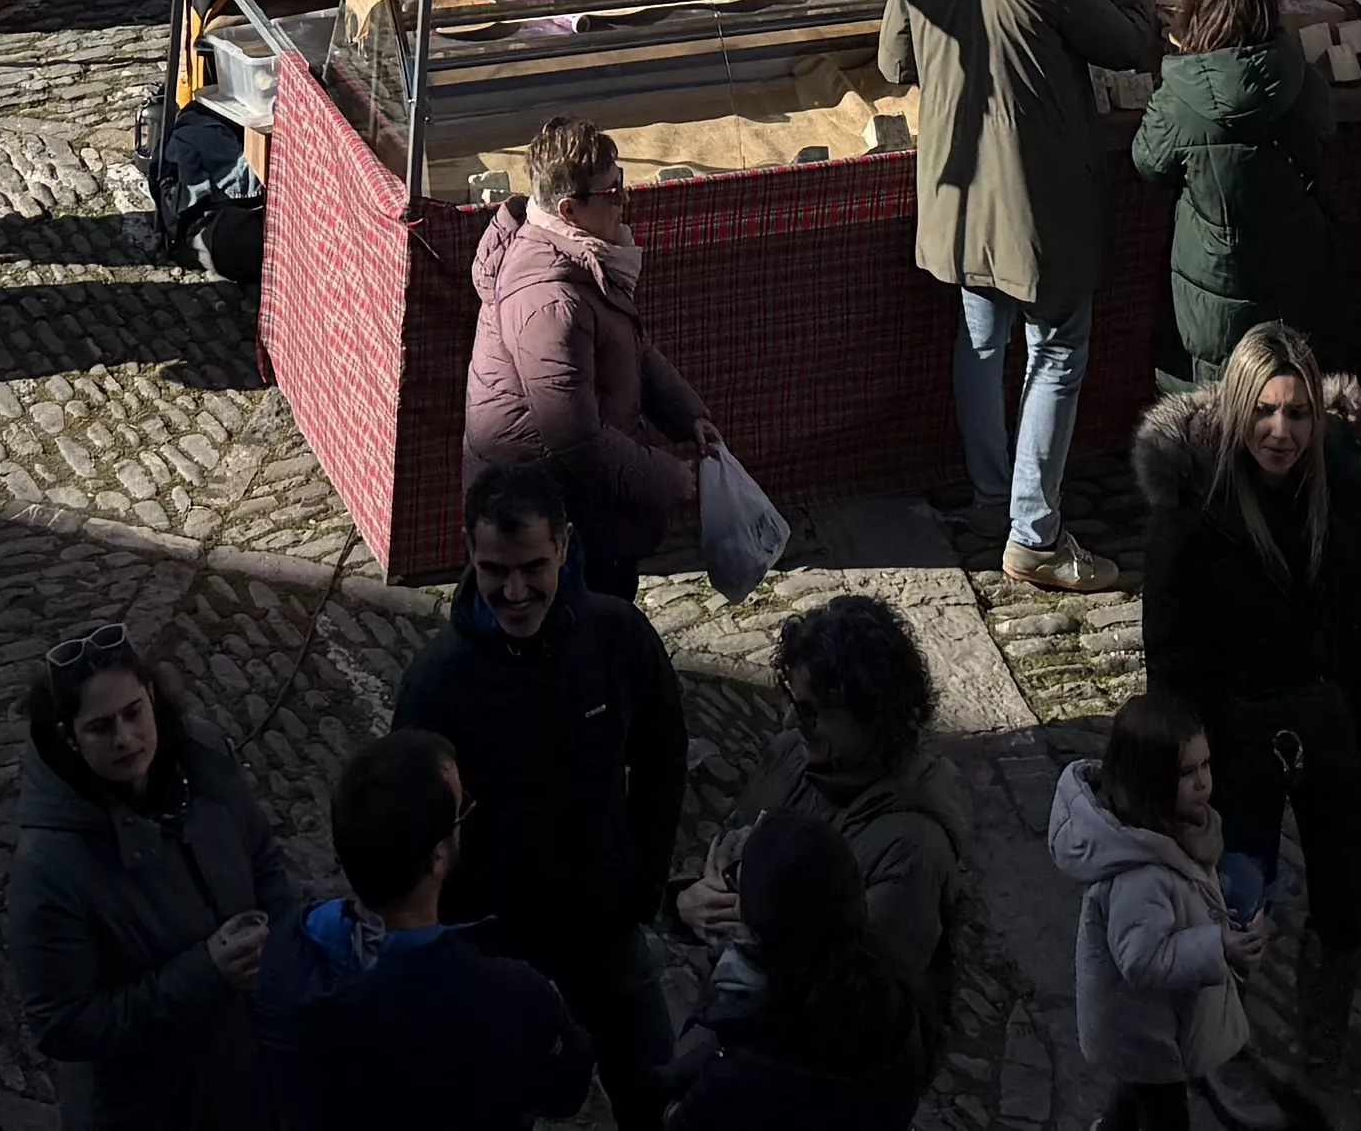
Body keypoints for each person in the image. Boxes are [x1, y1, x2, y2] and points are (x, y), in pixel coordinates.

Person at [874, 0, 1155, 591]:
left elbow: (894, 63)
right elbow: (1130, 42)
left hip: (960, 203)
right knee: (1056, 354)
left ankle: (994, 496)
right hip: (1038, 209)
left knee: (981, 342)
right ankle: (1032, 531)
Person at [1129, 322, 1361, 1074]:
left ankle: (1320, 1038)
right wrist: (1183, 770)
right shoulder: (1193, 512)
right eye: (1264, 411)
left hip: (1331, 723)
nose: (1279, 431)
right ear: (1236, 411)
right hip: (1236, 735)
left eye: (1295, 413)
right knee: (1238, 893)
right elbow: (1173, 657)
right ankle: (1228, 1038)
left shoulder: (1348, 492)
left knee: (1349, 894)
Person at [400, 465, 689, 1130]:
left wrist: (642, 883)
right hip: (492, 941)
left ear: (564, 546)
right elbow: (412, 826)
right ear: (469, 555)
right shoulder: (438, 681)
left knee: (656, 1091)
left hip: (604, 926)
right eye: (495, 570)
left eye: (532, 566)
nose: (515, 589)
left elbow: (661, 757)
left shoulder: (618, 639)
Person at [257, 727, 592, 1127]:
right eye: (461, 811)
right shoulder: (509, 997)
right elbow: (566, 1091)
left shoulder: (284, 953)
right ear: (436, 856)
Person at [687, 594, 967, 1049]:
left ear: (873, 711)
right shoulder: (792, 756)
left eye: (814, 711)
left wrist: (756, 933)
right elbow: (735, 858)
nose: (795, 722)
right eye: (796, 704)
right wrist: (689, 901)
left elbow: (864, 1002)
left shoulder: (911, 845)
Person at [468, 117, 711, 596]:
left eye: (621, 183)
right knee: (580, 636)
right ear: (568, 208)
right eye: (612, 191)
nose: (624, 199)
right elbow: (573, 436)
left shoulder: (582, 259)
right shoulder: (550, 302)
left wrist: (687, 416)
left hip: (580, 501)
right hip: (548, 517)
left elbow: (630, 349)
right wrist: (663, 476)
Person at [1051, 691, 1290, 1130]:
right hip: (1144, 1027)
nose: (1203, 782)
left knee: (1137, 1089)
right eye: (1186, 772)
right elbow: (1143, 960)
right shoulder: (1139, 875)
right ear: (1151, 780)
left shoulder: (1181, 829)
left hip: (1151, 1027)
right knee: (1163, 1109)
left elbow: (1195, 899)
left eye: (1205, 765)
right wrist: (1217, 946)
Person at [1136, 0, 1347, 387]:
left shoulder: (1181, 97)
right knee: (1279, 384)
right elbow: (1324, 138)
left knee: (1211, 398)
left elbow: (1149, 162)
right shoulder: (1302, 78)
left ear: (1194, 9)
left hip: (1215, 268)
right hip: (1291, 258)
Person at [669, 802, 941, 1131]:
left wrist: (732, 951)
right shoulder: (896, 999)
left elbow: (682, 1118)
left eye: (736, 883)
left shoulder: (747, 1065)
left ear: (758, 927)